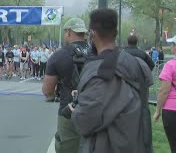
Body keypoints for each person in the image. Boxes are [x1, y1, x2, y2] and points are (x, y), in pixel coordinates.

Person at [70, 9, 153, 153]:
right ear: (115, 32)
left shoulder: (101, 71)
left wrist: (76, 109)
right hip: (137, 143)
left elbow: (85, 120)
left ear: (92, 33)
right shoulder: (136, 63)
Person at [42, 18, 90, 153]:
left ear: (68, 32)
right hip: (94, 109)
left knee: (67, 147)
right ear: (83, 33)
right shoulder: (97, 52)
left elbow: (47, 89)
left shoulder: (58, 56)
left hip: (69, 110)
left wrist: (51, 96)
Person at [153, 40, 176, 153]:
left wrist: (157, 110)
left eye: (172, 44)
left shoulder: (170, 65)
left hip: (172, 111)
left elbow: (163, 91)